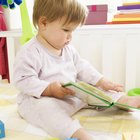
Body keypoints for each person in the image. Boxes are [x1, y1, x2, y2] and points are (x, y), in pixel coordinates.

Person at [13, 0, 140, 140]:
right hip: (43, 98)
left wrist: (102, 81)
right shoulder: (30, 52)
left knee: (92, 89)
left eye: (72, 31)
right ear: (44, 23)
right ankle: (77, 134)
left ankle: (123, 100)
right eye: (66, 30)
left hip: (70, 95)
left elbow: (82, 67)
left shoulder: (68, 49)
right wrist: (49, 89)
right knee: (46, 110)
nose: (70, 36)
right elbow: (23, 81)